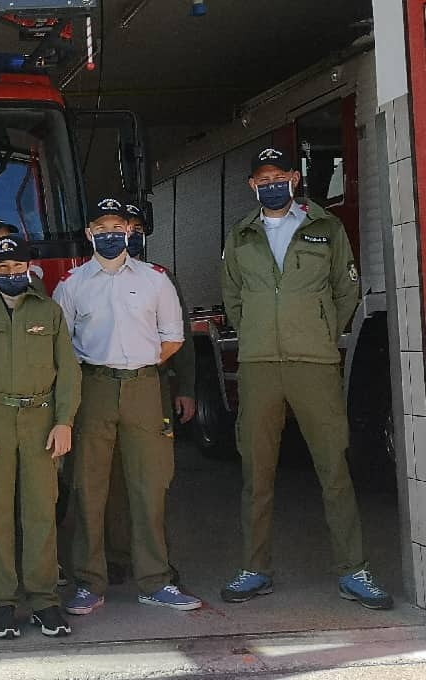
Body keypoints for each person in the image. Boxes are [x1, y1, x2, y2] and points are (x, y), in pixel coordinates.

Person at [219, 147, 392, 609]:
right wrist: (256, 331)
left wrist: (317, 331)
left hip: (313, 363)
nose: (271, 184)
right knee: (257, 472)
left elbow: (346, 289)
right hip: (258, 366)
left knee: (334, 467)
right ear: (252, 186)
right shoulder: (240, 235)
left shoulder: (325, 228)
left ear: (294, 178)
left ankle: (354, 570)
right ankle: (255, 569)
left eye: (278, 176)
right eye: (262, 178)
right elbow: (232, 296)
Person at [54, 197, 201, 616]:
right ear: (89, 233)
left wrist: (135, 362)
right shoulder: (72, 284)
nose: (110, 234)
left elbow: (173, 338)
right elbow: (61, 346)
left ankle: (155, 580)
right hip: (93, 388)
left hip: (143, 387)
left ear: (130, 231)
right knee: (89, 488)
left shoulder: (156, 280)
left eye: (118, 226)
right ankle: (88, 582)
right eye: (101, 227)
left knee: (149, 486)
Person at [0, 234, 80, 639]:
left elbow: (69, 372)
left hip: (41, 420)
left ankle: (44, 600)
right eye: (3, 269)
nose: (12, 275)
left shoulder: (49, 310)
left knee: (41, 512)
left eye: (18, 269)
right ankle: (2, 603)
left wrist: (64, 422)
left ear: (30, 271)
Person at [102, 203, 196, 585]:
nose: (129, 234)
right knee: (111, 480)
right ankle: (117, 556)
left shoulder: (160, 278)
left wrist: (186, 388)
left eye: (136, 227)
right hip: (106, 390)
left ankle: (156, 564)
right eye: (124, 226)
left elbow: (182, 338)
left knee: (153, 480)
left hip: (152, 386)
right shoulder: (86, 277)